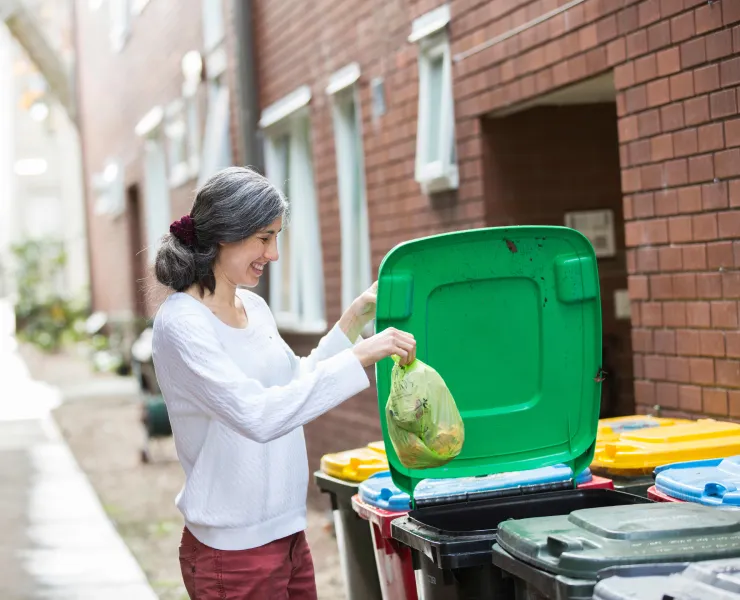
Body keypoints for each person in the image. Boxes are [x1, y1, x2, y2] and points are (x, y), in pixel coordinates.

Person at [151, 166, 416, 599]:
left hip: (288, 534)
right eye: (263, 238)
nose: (273, 254)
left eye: (276, 237)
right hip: (233, 553)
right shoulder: (182, 324)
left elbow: (293, 383)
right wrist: (359, 357)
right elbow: (258, 414)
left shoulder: (252, 307)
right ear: (225, 233)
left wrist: (352, 323)